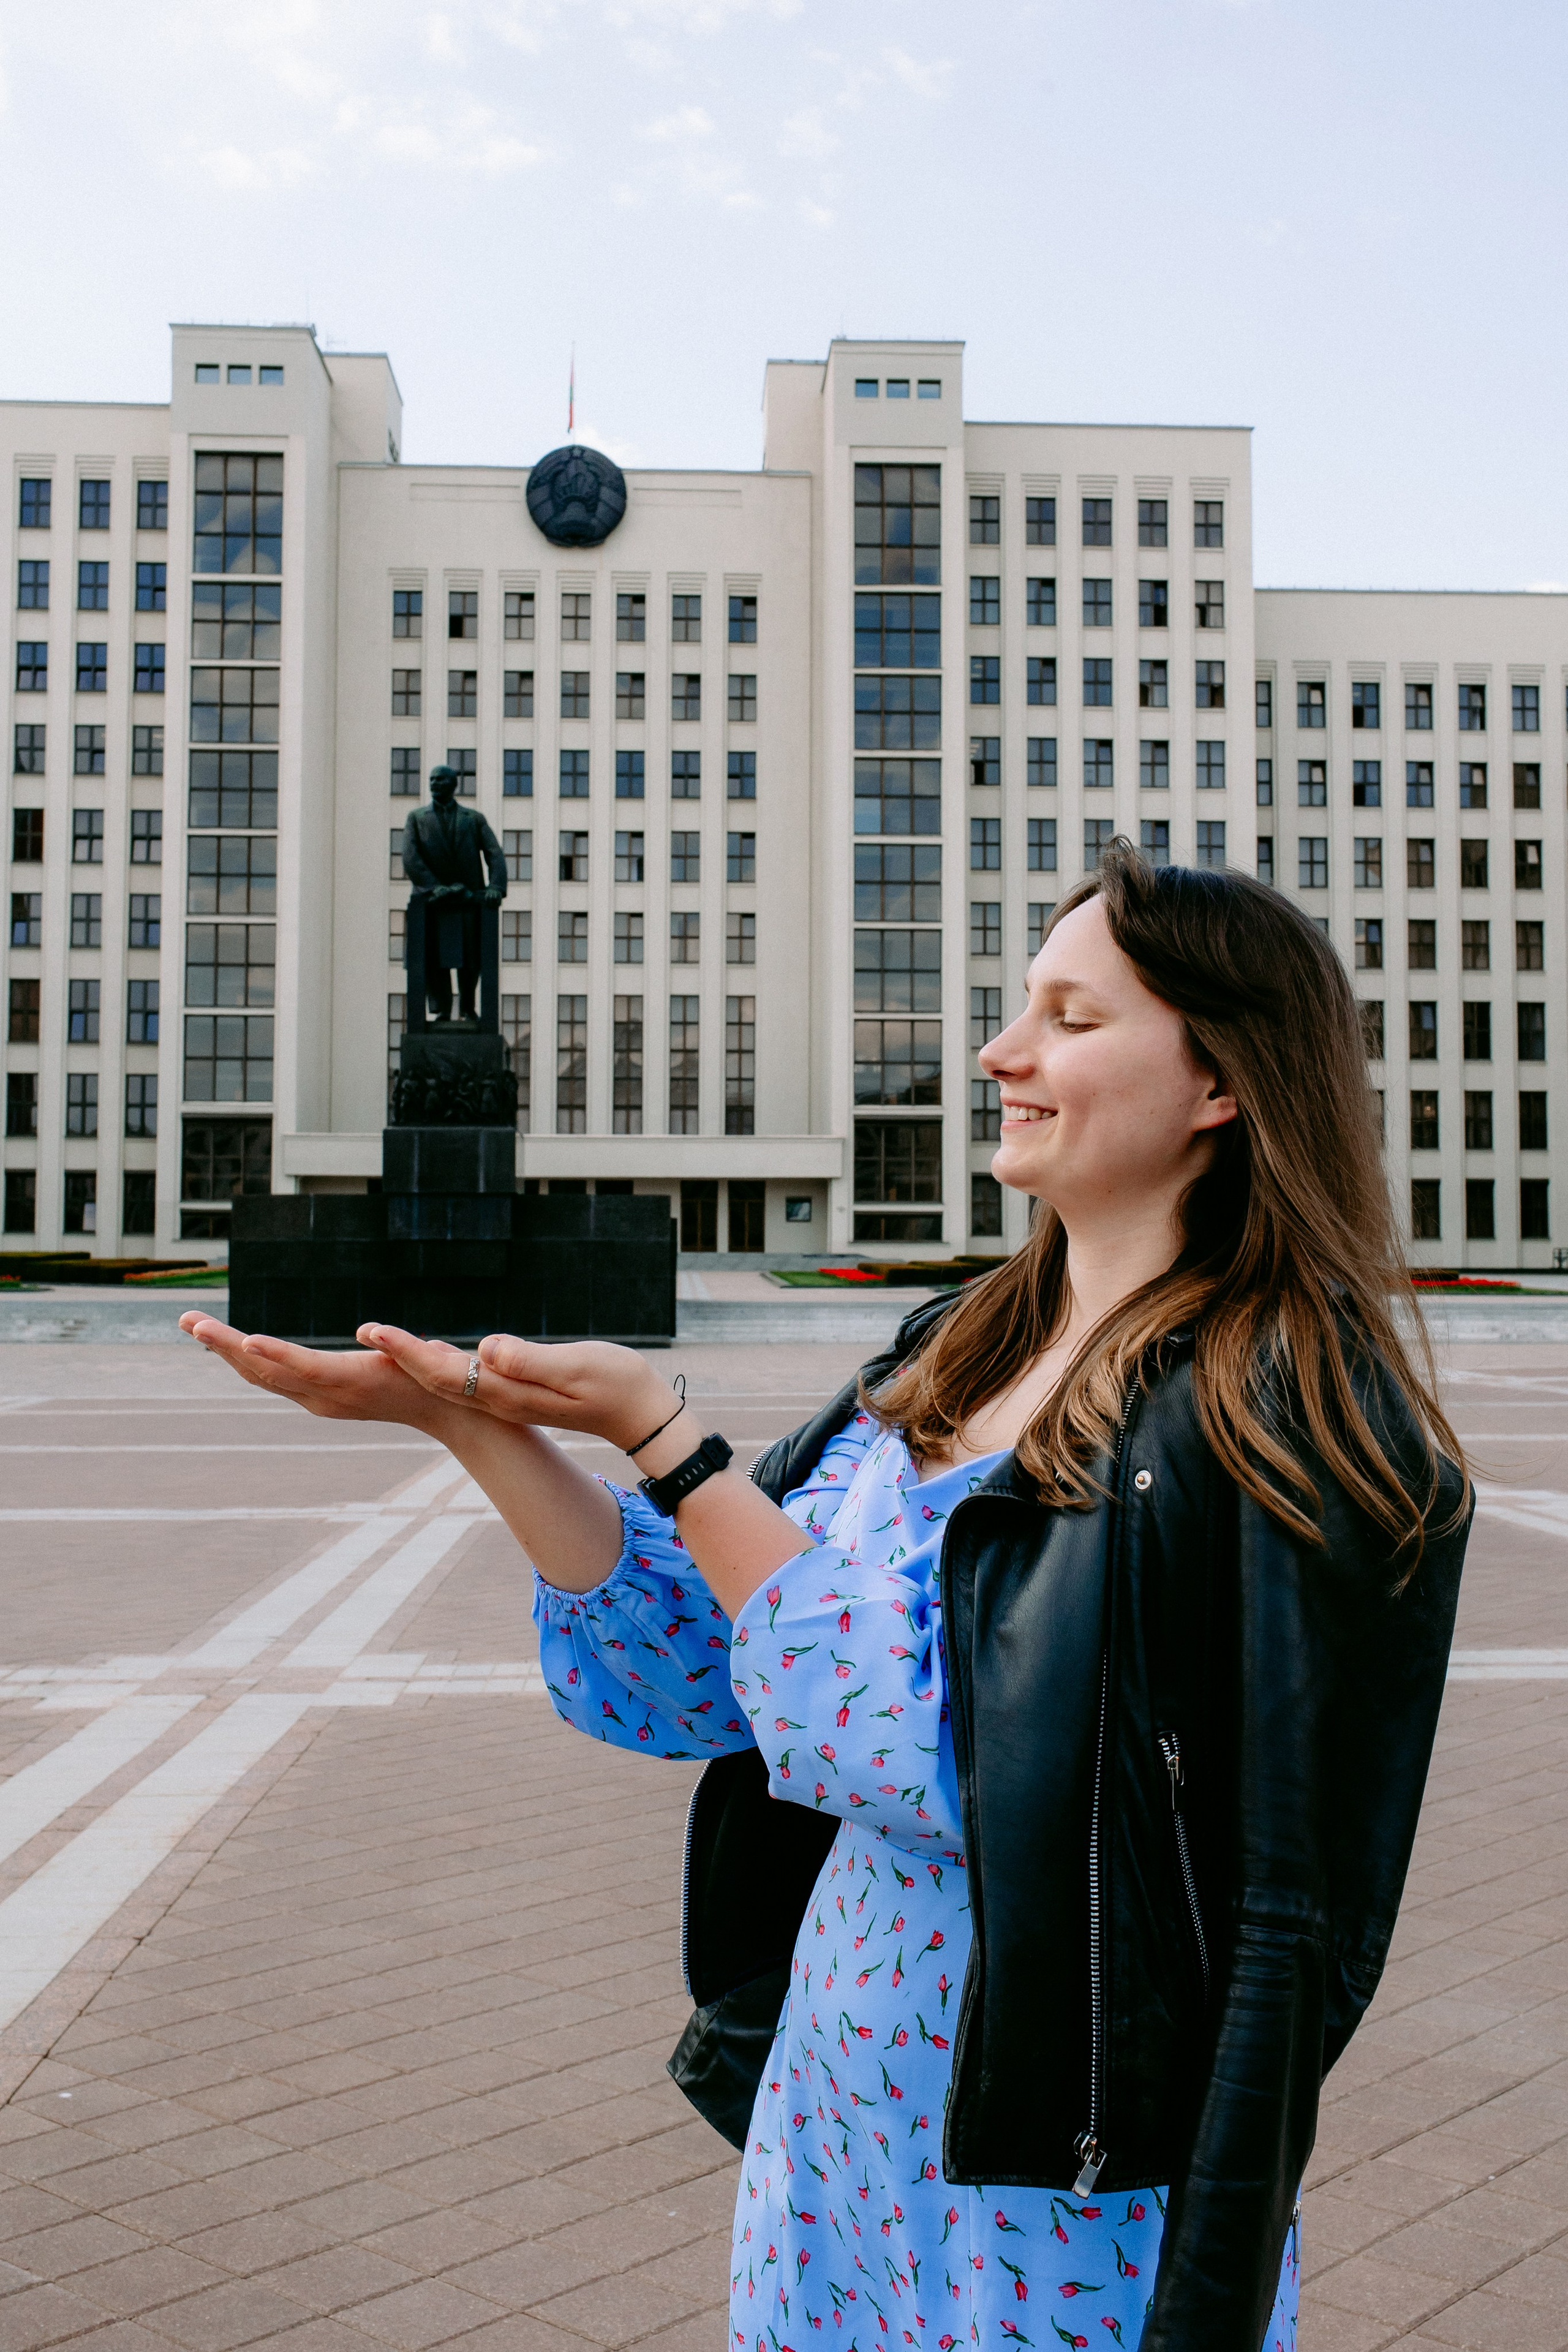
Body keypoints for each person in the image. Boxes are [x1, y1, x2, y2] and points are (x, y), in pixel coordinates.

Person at [183, 843, 1469, 2352]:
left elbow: (932, 1748)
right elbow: (698, 1667)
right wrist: (468, 1421)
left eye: (1068, 1017)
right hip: (838, 2129)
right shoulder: (954, 1347)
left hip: (1052, 2181)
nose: (1001, 1052)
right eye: (1019, 1009)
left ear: (1218, 1083)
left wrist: (668, 1442)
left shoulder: (1279, 1413)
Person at [401, 763, 507, 1023]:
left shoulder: (473, 818)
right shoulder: (417, 818)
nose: (434, 784)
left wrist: (495, 887)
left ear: (453, 784)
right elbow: (410, 858)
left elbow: (494, 853)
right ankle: (443, 1010)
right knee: (435, 958)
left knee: (471, 958)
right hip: (432, 903)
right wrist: (434, 887)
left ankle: (468, 1008)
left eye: (440, 780)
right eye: (432, 780)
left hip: (468, 900)